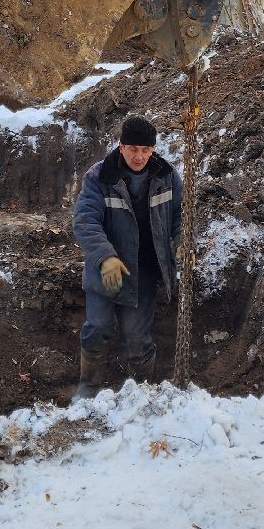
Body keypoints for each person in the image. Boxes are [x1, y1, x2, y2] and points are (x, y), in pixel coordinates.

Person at [71, 115, 182, 400]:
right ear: (121, 146)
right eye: (133, 149)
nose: (139, 156)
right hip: (106, 270)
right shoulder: (99, 177)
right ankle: (89, 386)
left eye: (145, 150)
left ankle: (140, 393)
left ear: (153, 149)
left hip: (144, 271)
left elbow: (181, 217)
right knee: (98, 327)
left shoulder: (167, 177)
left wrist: (181, 245)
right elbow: (85, 221)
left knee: (137, 337)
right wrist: (105, 257)